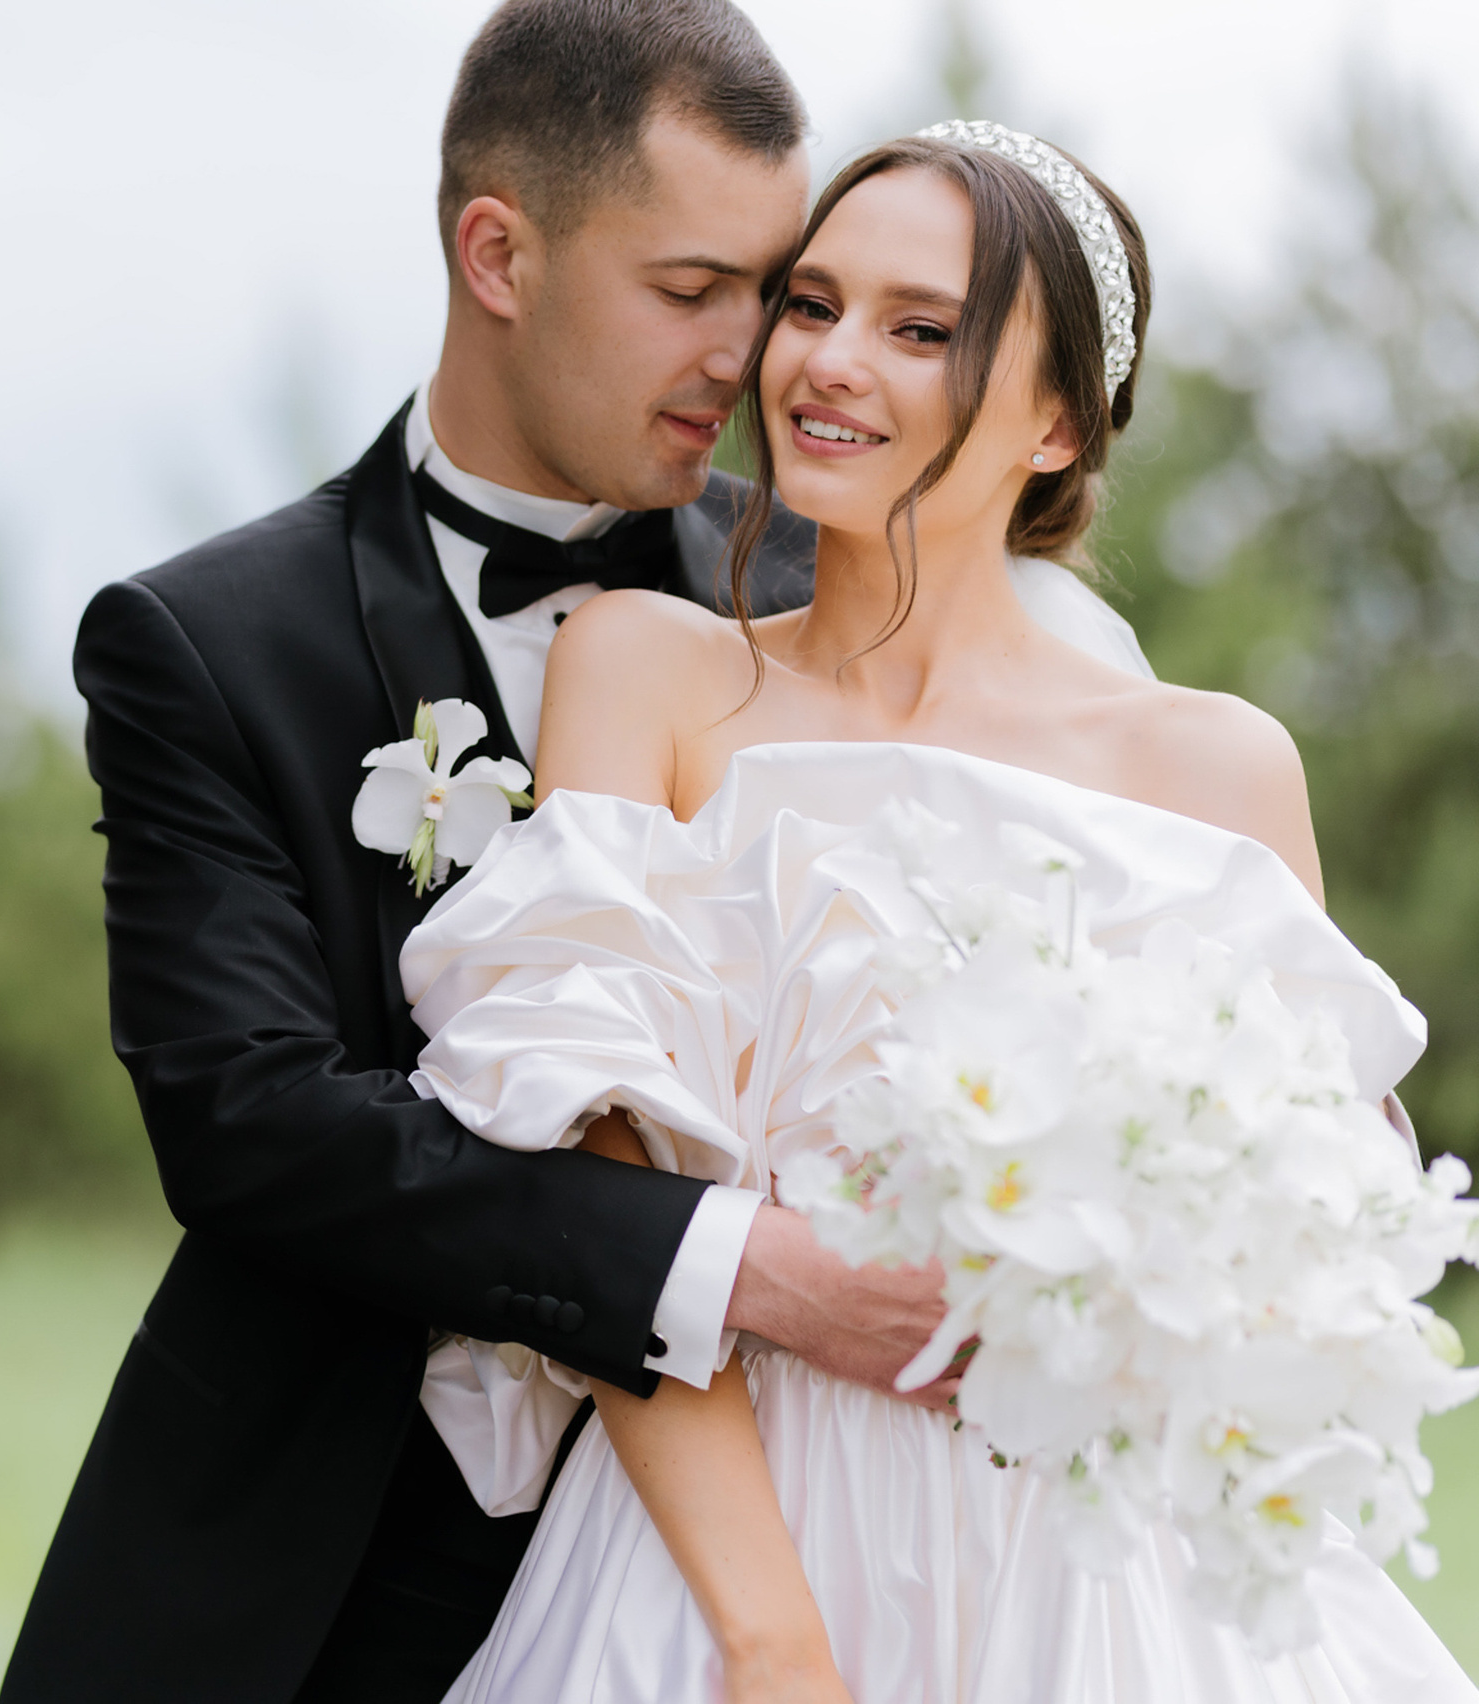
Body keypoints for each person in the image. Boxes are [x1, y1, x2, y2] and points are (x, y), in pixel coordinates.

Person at [0, 5, 1152, 1699]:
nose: (751, 355)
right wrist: (740, 1266)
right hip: (317, 1559)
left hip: (763, 1559)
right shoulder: (208, 642)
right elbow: (252, 1120)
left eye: (774, 291)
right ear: (499, 252)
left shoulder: (806, 618)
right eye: (692, 291)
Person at [406, 123, 1479, 1701]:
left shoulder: (1215, 767)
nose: (831, 362)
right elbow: (602, 1183)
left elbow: (1295, 1253)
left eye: (921, 331)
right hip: (724, 1551)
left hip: (1110, 1582)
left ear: (1056, 423)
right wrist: (769, 1642)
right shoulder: (644, 670)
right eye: (812, 303)